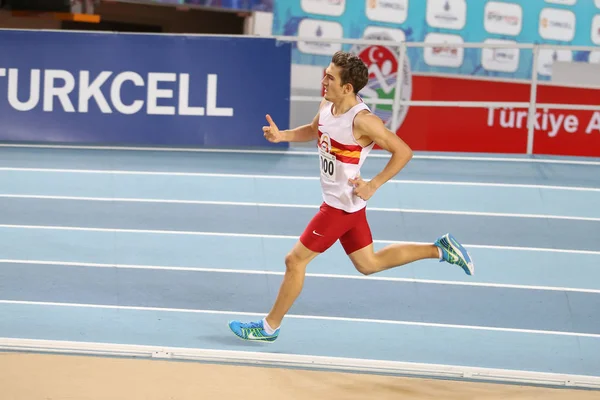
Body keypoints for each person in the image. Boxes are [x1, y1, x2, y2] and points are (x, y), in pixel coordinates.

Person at [228, 51, 474, 343]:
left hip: (339, 208)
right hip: (347, 206)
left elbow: (404, 152)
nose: (323, 80)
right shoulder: (328, 104)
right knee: (368, 264)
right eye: (326, 73)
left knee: (294, 261)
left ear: (347, 87)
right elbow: (313, 129)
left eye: (330, 77)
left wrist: (373, 184)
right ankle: (441, 249)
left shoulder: (364, 121)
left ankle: (269, 328)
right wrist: (284, 137)